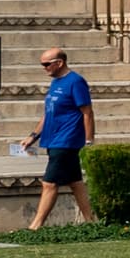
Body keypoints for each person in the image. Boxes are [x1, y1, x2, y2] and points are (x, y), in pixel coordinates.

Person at [26, 44, 93, 231]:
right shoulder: (55, 82)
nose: (44, 68)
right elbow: (49, 113)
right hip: (53, 138)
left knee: (49, 183)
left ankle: (35, 226)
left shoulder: (76, 82)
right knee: (75, 182)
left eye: (47, 64)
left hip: (66, 140)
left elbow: (87, 112)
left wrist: (89, 140)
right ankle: (91, 221)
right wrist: (33, 135)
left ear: (60, 62)